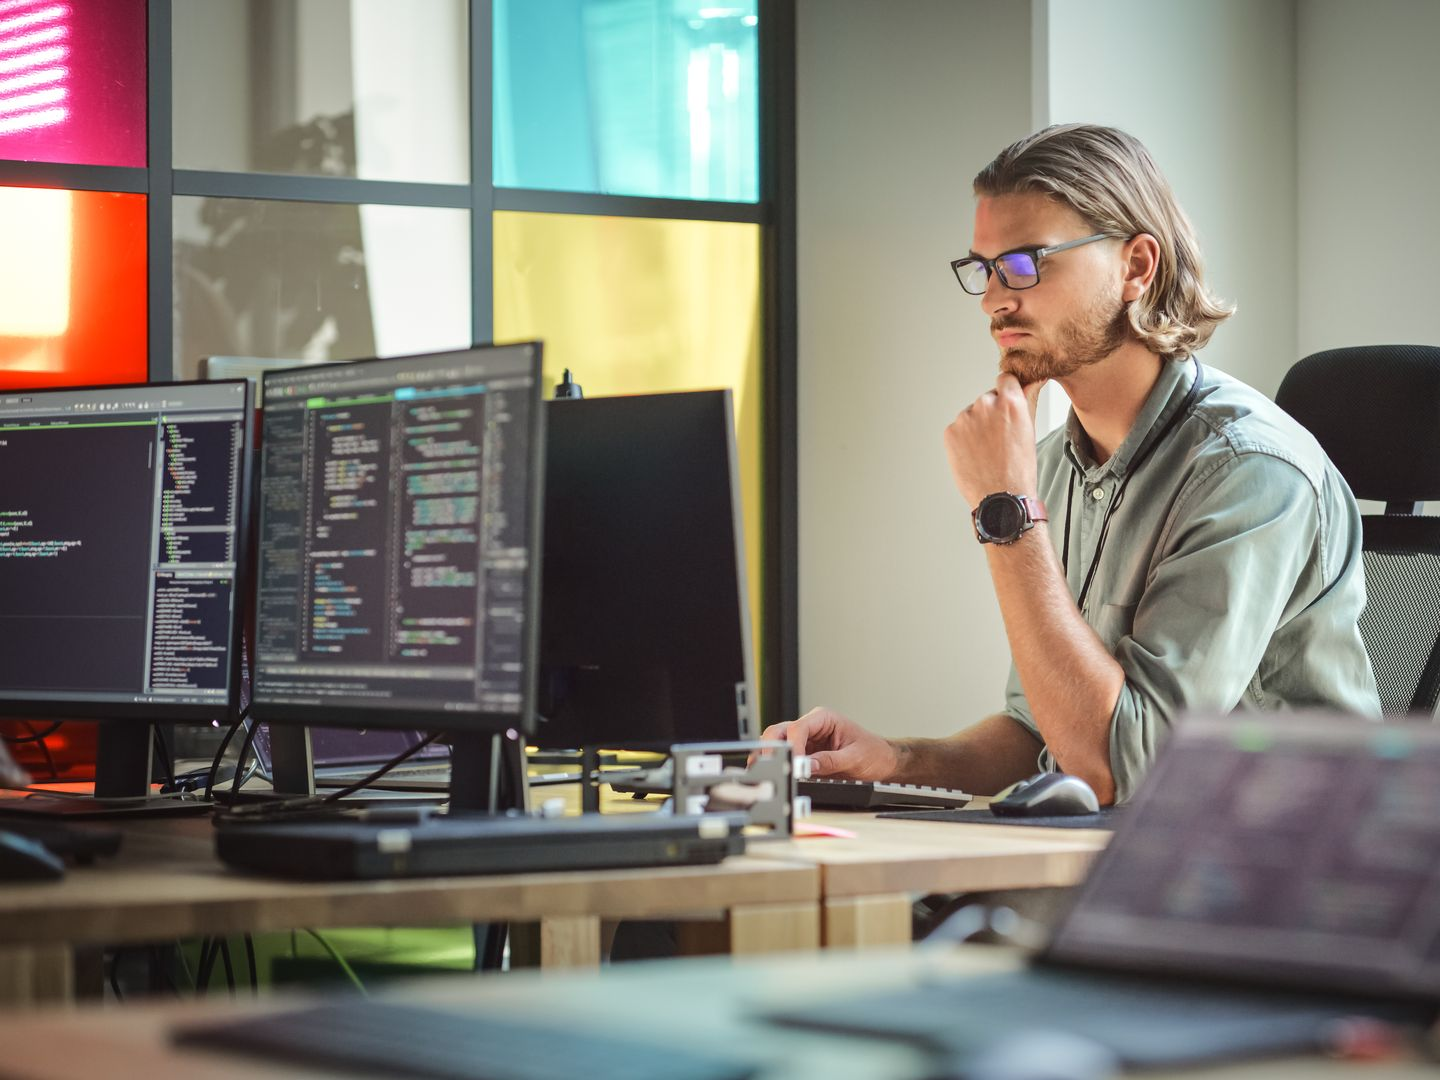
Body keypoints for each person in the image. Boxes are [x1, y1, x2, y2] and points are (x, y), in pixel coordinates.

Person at [766, 124, 1379, 805]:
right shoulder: (1054, 464)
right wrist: (896, 758)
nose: (996, 299)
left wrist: (1006, 512)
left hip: (1279, 883)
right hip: (1133, 863)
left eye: (1027, 262)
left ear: (1136, 267)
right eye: (984, 268)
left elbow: (1119, 769)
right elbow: (1041, 734)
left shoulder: (1250, 472)